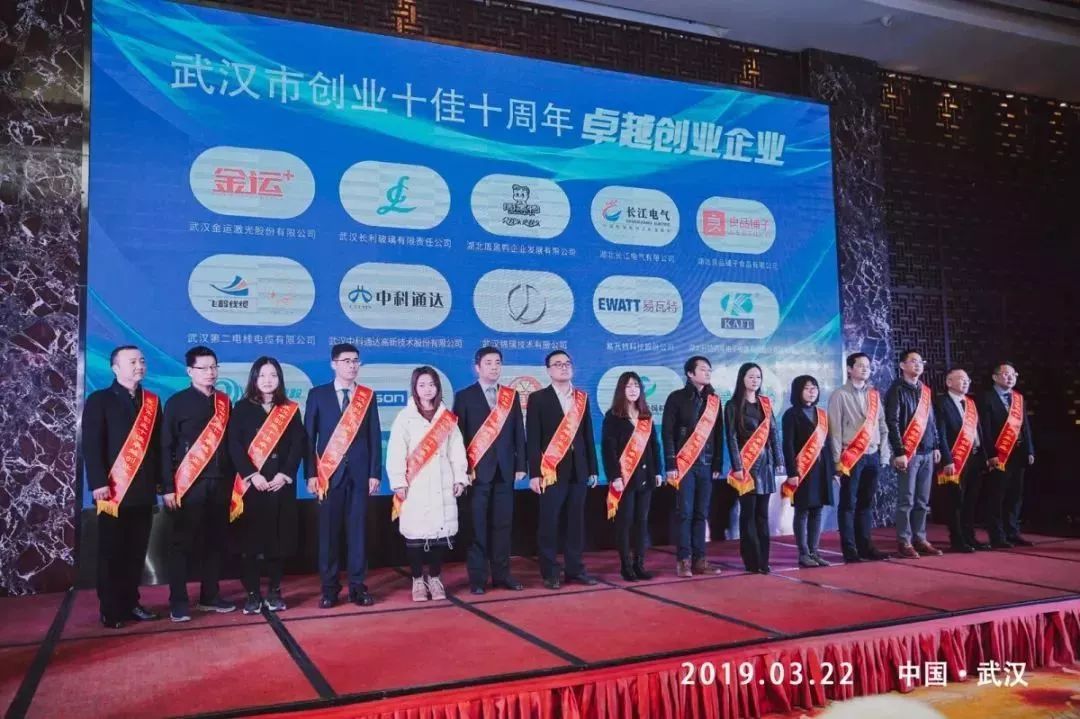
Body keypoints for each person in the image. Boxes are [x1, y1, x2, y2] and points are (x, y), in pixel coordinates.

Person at [81, 345, 162, 628]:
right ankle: (110, 608)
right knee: (112, 552)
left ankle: (131, 603)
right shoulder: (100, 400)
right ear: (115, 368)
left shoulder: (151, 402)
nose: (139, 366)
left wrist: (160, 483)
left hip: (143, 490)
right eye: (132, 362)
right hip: (112, 490)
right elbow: (92, 445)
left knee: (136, 551)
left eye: (142, 361)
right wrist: (98, 482)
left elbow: (157, 448)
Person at [161, 346, 236, 621]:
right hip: (188, 484)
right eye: (203, 368)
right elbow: (165, 446)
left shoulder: (224, 402)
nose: (210, 373)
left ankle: (210, 596)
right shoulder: (176, 403)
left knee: (215, 541)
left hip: (221, 482)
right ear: (190, 371)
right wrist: (167, 487)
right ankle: (178, 601)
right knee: (181, 543)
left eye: (214, 367)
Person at [227, 356, 306, 614]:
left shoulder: (290, 409)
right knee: (250, 543)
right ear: (254, 379)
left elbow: (298, 445)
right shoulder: (241, 408)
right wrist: (252, 475)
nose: (268, 380)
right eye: (262, 375)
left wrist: (285, 474)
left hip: (279, 484)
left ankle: (274, 591)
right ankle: (252, 594)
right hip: (252, 486)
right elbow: (234, 445)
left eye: (273, 375)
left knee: (277, 542)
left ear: (280, 379)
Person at [305, 343, 382, 608]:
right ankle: (329, 589)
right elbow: (309, 438)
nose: (352, 365)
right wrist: (311, 474)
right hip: (328, 476)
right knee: (328, 535)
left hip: (360, 475)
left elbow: (374, 436)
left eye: (355, 360)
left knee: (358, 533)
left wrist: (374, 472)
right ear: (333, 364)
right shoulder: (318, 395)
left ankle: (358, 587)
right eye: (346, 361)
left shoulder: (366, 396)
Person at [388, 367, 470, 601]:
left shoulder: (447, 418)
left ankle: (435, 578)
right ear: (414, 388)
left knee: (439, 535)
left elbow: (457, 450)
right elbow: (396, 451)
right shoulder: (405, 417)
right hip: (415, 484)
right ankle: (417, 580)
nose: (427, 389)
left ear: (438, 388)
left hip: (443, 483)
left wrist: (460, 478)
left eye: (431, 384)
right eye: (422, 385)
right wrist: (398, 481)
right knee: (415, 535)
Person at [453, 347, 526, 595]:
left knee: (503, 526)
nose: (494, 367)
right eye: (488, 363)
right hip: (477, 473)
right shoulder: (464, 396)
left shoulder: (510, 396)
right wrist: (462, 470)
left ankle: (502, 575)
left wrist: (521, 465)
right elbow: (459, 438)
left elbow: (519, 432)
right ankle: (477, 579)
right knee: (477, 527)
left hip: (505, 471)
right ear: (477, 367)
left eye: (497, 363)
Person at [527, 350, 599, 589]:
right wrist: (534, 473)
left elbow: (587, 435)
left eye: (567, 363)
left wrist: (593, 468)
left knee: (575, 523)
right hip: (551, 471)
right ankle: (550, 572)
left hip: (579, 469)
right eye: (558, 364)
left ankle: (575, 569)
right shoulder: (538, 398)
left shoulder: (581, 398)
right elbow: (533, 439)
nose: (564, 367)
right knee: (549, 523)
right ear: (548, 370)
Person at [661, 356, 724, 578]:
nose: (707, 373)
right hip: (684, 463)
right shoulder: (676, 398)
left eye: (709, 370)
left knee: (701, 513)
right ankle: (683, 561)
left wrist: (717, 462)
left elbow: (718, 434)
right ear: (690, 373)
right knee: (685, 513)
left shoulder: (714, 400)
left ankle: (700, 560)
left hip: (706, 464)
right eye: (703, 369)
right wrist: (670, 463)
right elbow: (667, 433)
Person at [827, 352, 892, 563]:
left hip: (872, 455)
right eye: (860, 365)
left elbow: (882, 425)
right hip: (850, 457)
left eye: (868, 366)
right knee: (848, 504)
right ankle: (850, 549)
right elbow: (835, 430)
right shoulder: (839, 395)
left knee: (866, 503)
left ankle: (865, 546)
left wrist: (884, 454)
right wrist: (836, 460)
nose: (865, 369)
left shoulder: (874, 395)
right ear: (849, 369)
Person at [601, 371, 664, 581]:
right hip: (625, 478)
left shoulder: (645, 415)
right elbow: (608, 450)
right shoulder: (613, 417)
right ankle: (626, 566)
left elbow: (654, 446)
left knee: (642, 521)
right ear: (621, 389)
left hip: (646, 476)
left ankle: (639, 564)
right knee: (625, 522)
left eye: (636, 385)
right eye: (628, 386)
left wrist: (658, 470)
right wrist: (615, 476)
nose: (633, 389)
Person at [724, 362, 785, 574]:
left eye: (758, 377)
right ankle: (751, 560)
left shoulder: (765, 404)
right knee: (748, 514)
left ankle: (763, 560)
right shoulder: (732, 405)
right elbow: (731, 438)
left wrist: (779, 460)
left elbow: (774, 434)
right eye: (750, 376)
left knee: (762, 515)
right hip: (746, 466)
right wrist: (737, 466)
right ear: (742, 379)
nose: (755, 380)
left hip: (766, 465)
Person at [885, 349, 943, 559]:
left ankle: (920, 538)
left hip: (927, 451)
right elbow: (892, 422)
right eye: (913, 361)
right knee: (906, 500)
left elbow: (931, 421)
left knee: (922, 501)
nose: (918, 365)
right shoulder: (896, 390)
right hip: (908, 453)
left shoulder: (925, 390)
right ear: (902, 365)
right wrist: (899, 451)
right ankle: (904, 541)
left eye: (920, 361)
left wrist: (936, 445)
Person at [978, 361, 1035, 548]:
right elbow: (984, 429)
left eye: (1013, 374)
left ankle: (1013, 531)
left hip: (1018, 454)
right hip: (999, 454)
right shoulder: (986, 398)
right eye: (1005, 374)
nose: (1010, 377)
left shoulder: (1018, 399)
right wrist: (990, 454)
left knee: (1015, 495)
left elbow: (1025, 427)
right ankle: (997, 535)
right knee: (997, 495)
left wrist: (1029, 450)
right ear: (995, 377)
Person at [781, 375, 835, 568]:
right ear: (798, 391)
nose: (812, 391)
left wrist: (833, 470)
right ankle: (803, 553)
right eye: (807, 388)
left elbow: (828, 443)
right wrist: (792, 472)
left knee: (817, 510)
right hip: (802, 470)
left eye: (814, 387)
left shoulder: (821, 414)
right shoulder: (791, 414)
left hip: (821, 469)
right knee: (802, 511)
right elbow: (788, 445)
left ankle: (815, 551)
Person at [934, 367, 990, 553]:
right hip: (955, 459)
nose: (965, 382)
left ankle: (969, 536)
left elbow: (978, 431)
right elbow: (940, 434)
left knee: (971, 500)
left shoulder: (970, 403)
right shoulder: (941, 403)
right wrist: (947, 459)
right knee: (955, 500)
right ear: (949, 382)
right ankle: (957, 539)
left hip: (974, 456)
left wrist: (984, 456)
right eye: (960, 379)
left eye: (967, 379)